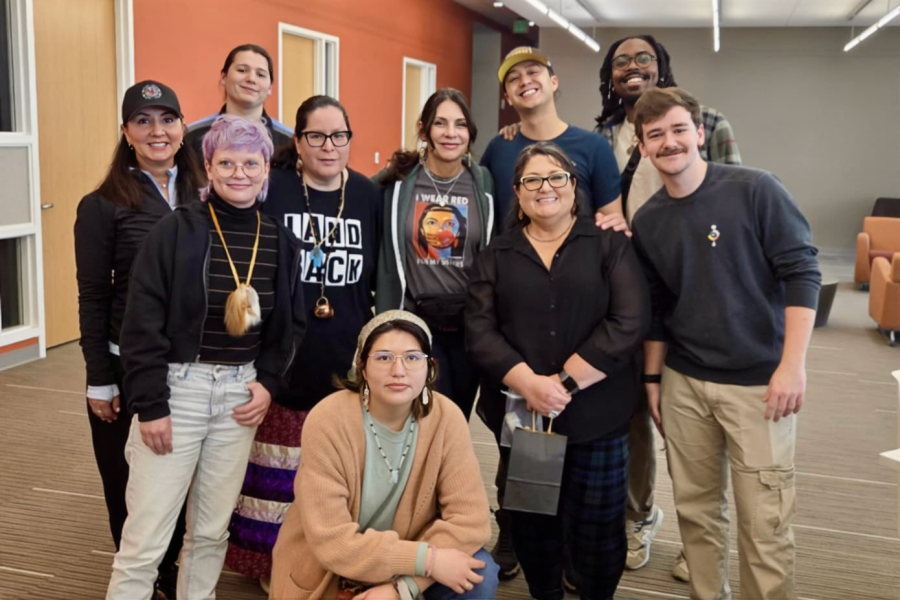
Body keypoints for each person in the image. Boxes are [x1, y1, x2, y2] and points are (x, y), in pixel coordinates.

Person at [105, 115, 306, 600]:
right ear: (209, 168)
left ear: (266, 171)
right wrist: (151, 405)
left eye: (251, 163)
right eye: (227, 163)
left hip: (240, 396)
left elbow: (290, 325)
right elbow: (140, 325)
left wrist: (269, 383)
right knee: (146, 539)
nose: (240, 173)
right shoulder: (175, 231)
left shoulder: (278, 239)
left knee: (212, 532)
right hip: (178, 392)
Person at [630, 87, 820, 600]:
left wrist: (793, 366)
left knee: (765, 523)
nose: (668, 142)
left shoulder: (756, 189)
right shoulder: (648, 219)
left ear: (698, 133)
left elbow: (803, 273)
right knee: (696, 514)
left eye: (677, 129)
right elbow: (657, 308)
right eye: (655, 135)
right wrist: (653, 380)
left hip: (760, 385)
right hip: (685, 383)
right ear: (642, 147)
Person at [467, 142, 650, 600]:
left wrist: (562, 384)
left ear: (573, 186)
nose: (544, 187)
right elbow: (480, 331)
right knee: (534, 525)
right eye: (531, 180)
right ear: (517, 192)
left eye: (555, 177)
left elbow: (629, 320)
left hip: (598, 417)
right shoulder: (496, 254)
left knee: (599, 532)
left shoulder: (608, 243)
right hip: (528, 419)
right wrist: (530, 384)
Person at [594, 34, 743, 578]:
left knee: (691, 427)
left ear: (662, 67)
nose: (633, 67)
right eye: (621, 61)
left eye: (644, 59)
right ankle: (639, 517)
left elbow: (728, 202)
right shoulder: (601, 135)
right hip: (627, 295)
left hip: (694, 293)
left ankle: (700, 540)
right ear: (610, 76)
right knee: (636, 414)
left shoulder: (708, 121)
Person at [225, 95, 382, 591]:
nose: (329, 146)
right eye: (316, 136)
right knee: (276, 478)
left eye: (339, 136)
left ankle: (333, 564)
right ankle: (275, 569)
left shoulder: (366, 194)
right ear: (297, 141)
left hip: (347, 357)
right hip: (284, 356)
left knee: (338, 474)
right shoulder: (273, 189)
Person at [75, 80, 204, 600]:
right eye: (143, 121)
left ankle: (169, 572)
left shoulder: (206, 195)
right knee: (128, 485)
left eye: (168, 119)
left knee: (181, 481)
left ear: (183, 128)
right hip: (123, 367)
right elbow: (92, 297)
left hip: (192, 368)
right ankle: (140, 580)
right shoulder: (103, 205)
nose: (157, 131)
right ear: (126, 132)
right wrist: (98, 379)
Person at [270, 310, 498, 600]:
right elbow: (332, 542)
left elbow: (471, 521)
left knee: (480, 575)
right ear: (363, 368)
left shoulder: (447, 418)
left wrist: (403, 589)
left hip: (407, 563)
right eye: (384, 358)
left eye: (413, 357)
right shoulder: (328, 419)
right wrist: (428, 560)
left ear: (429, 368)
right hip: (335, 567)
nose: (399, 370)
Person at [374, 88, 494, 421]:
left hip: (468, 325)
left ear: (470, 132)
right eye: (440, 123)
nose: (451, 133)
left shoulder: (484, 183)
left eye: (460, 124)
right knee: (425, 415)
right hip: (415, 322)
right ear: (424, 130)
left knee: (456, 419)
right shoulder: (398, 182)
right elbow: (352, 193)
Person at [481, 47, 621, 226]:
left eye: (533, 72)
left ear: (554, 82)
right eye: (514, 78)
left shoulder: (594, 147)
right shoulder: (498, 149)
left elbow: (612, 223)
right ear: (508, 97)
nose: (524, 81)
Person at [185, 44, 293, 164]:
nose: (251, 79)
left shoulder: (290, 142)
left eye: (260, 74)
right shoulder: (190, 137)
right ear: (223, 77)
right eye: (242, 70)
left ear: (270, 88)